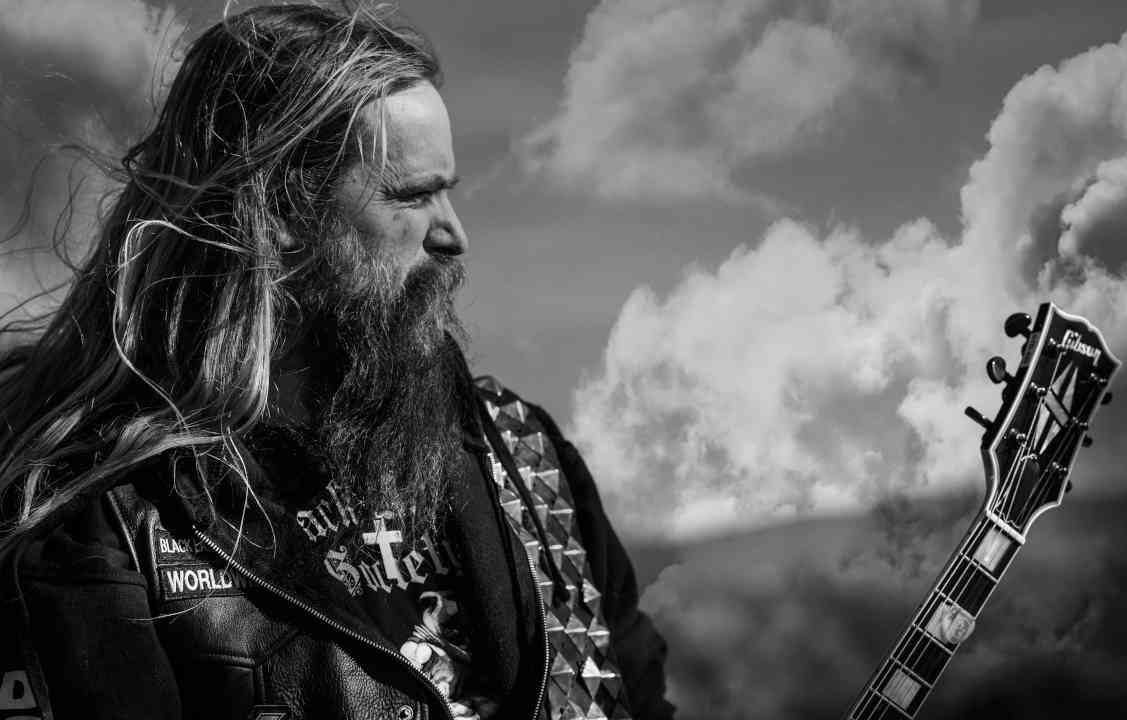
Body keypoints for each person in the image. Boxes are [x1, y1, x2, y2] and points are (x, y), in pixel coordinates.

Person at [0, 5, 673, 720]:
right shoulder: (104, 519)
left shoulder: (529, 461)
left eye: (448, 190)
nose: (454, 234)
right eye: (411, 197)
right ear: (280, 207)